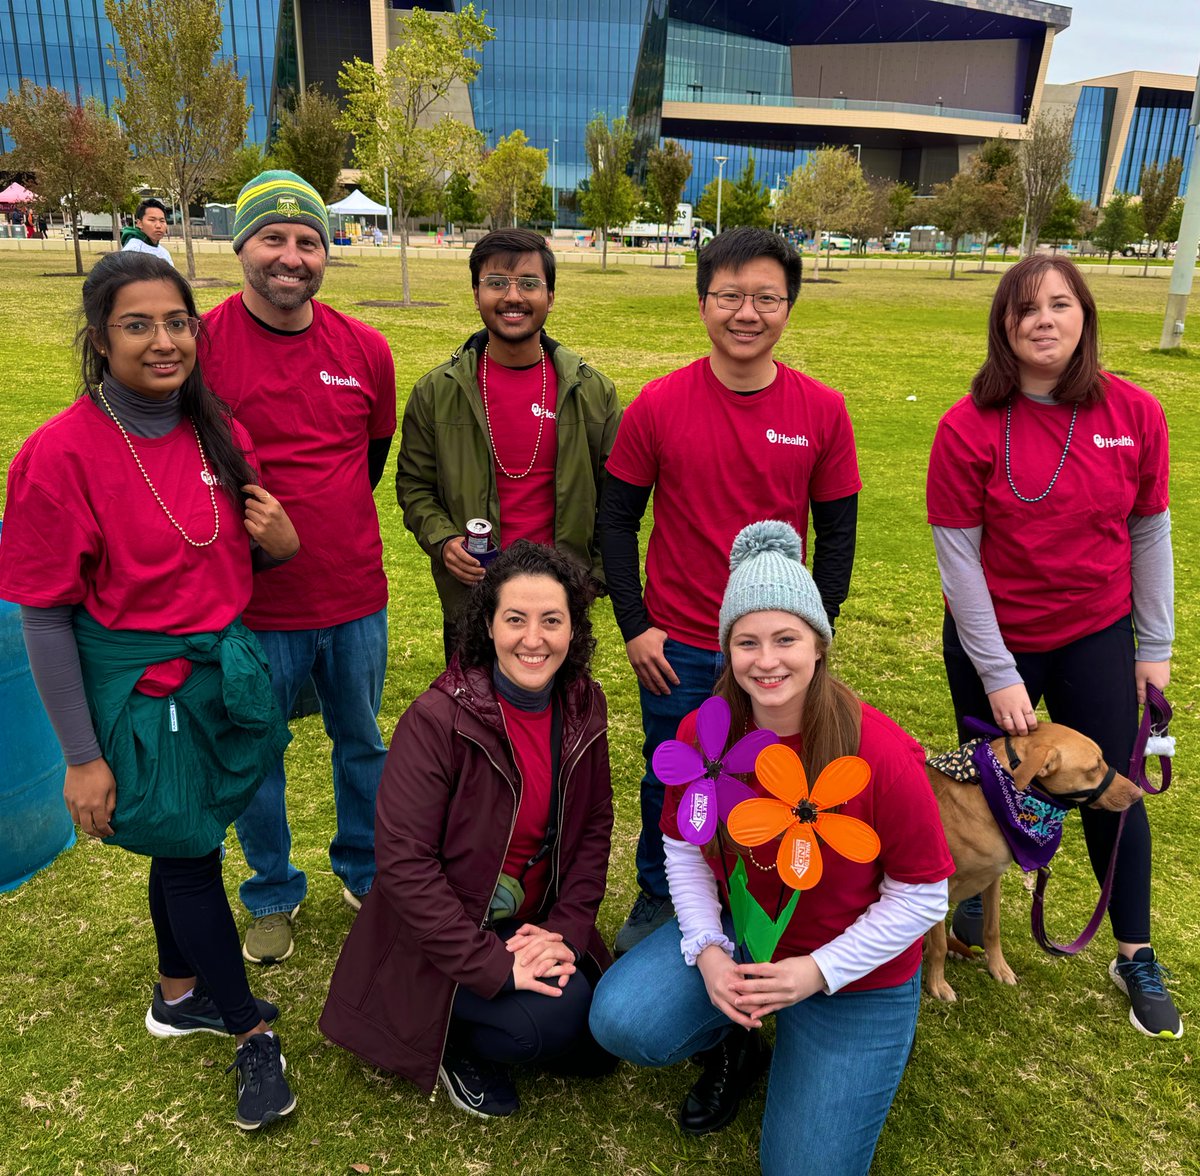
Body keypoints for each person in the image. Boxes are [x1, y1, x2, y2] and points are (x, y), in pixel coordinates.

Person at [0, 251, 301, 1129]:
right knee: (191, 851)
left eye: (177, 322)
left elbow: (248, 542)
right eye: (138, 324)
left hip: (216, 676)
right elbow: (45, 618)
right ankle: (246, 1031)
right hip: (142, 691)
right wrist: (82, 759)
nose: (163, 342)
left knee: (187, 840)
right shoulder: (57, 454)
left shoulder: (212, 425)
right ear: (100, 340)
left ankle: (178, 994)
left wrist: (278, 542)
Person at [589, 521, 952, 1175]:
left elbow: (924, 893)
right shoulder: (709, 728)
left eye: (786, 638)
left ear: (819, 644)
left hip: (857, 979)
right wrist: (706, 950)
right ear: (726, 649)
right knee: (622, 1020)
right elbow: (681, 844)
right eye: (746, 641)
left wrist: (817, 972)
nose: (767, 660)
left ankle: (841, 1050)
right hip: (750, 946)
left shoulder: (880, 752)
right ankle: (738, 1041)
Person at [927, 254, 1182, 1039]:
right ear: (1003, 325)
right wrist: (1000, 674)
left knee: (1113, 786)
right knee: (988, 789)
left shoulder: (1134, 413)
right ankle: (968, 911)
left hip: (1096, 633)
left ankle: (1134, 952)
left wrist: (1155, 645)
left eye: (1060, 305)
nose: (1043, 320)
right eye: (1025, 308)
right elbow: (958, 559)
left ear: (1085, 318)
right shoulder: (967, 425)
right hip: (991, 638)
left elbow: (1150, 533)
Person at [598, 226, 861, 954]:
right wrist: (635, 624)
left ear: (790, 305)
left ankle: (759, 895)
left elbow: (838, 534)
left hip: (777, 645)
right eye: (730, 296)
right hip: (678, 644)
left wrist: (815, 630)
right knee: (676, 776)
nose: (747, 313)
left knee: (777, 777)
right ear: (703, 301)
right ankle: (661, 893)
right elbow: (616, 520)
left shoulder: (822, 410)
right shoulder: (657, 404)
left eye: (766, 298)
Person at [320, 541, 615, 1118]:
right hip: (444, 938)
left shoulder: (583, 703)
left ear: (573, 628)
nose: (534, 639)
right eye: (515, 619)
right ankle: (447, 1040)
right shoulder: (437, 720)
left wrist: (566, 930)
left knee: (598, 1041)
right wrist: (492, 964)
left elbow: (594, 827)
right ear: (487, 623)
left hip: (529, 922)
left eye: (551, 620)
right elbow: (405, 867)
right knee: (543, 1030)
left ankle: (514, 999)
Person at [199, 170, 397, 965]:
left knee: (362, 742)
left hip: (353, 594)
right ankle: (272, 891)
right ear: (241, 243)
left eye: (307, 241)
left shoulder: (365, 349)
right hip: (251, 606)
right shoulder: (202, 345)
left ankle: (366, 868)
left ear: (326, 251)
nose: (291, 256)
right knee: (257, 754)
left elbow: (371, 458)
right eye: (273, 238)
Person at [397, 227, 621, 663]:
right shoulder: (436, 392)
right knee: (473, 724)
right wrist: (444, 541)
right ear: (476, 293)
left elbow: (615, 501)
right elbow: (414, 486)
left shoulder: (592, 393)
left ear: (550, 296)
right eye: (496, 282)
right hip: (473, 601)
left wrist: (590, 580)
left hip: (560, 604)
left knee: (559, 725)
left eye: (529, 284)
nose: (512, 296)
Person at [121, 198, 173, 266]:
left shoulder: (164, 252)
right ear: (139, 223)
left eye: (162, 221)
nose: (158, 226)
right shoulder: (133, 251)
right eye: (152, 220)